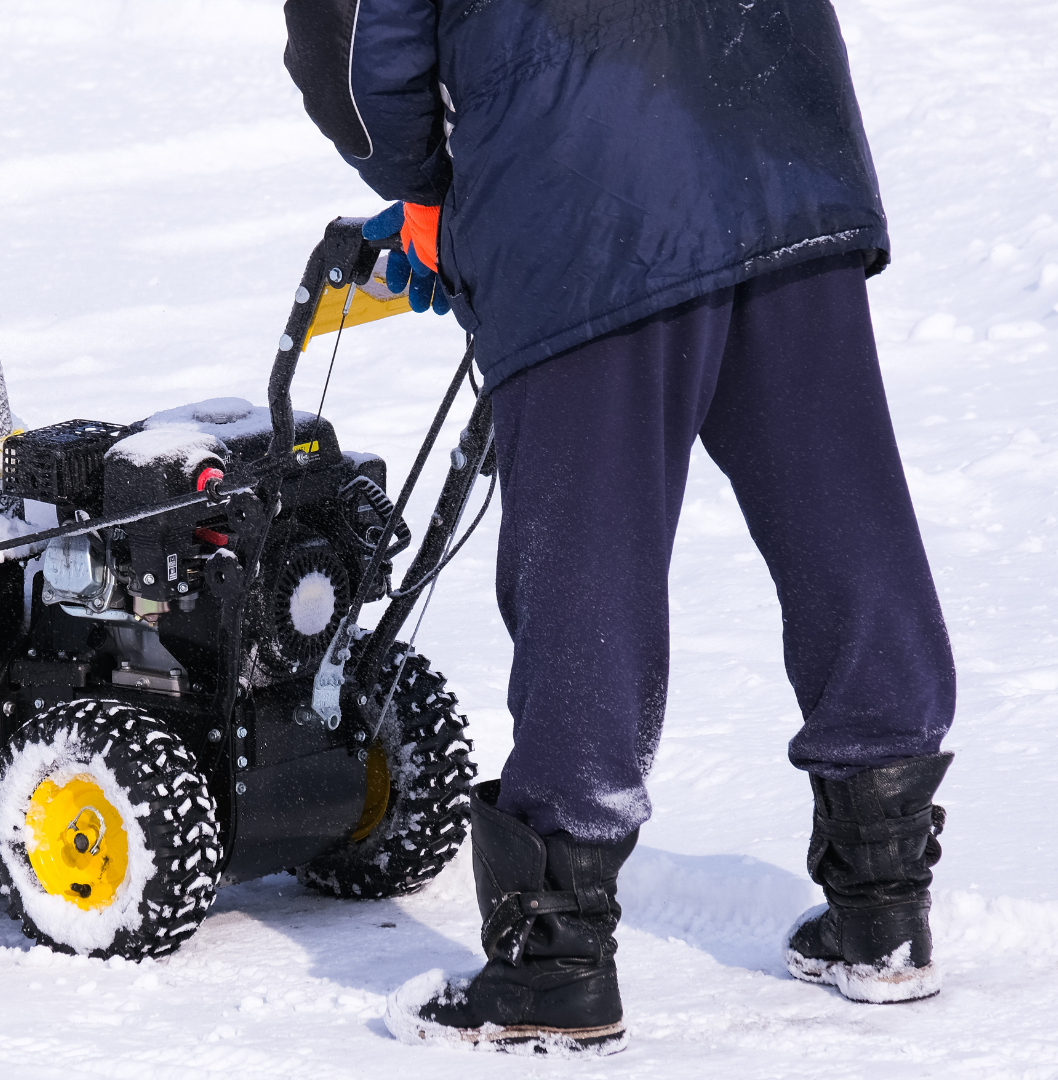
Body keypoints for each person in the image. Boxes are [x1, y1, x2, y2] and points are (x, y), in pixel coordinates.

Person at [283, 0, 956, 1056]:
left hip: (586, 190)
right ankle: (886, 904)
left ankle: (554, 964)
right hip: (783, 136)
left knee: (588, 561)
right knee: (840, 507)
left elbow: (362, 39)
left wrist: (422, 183)